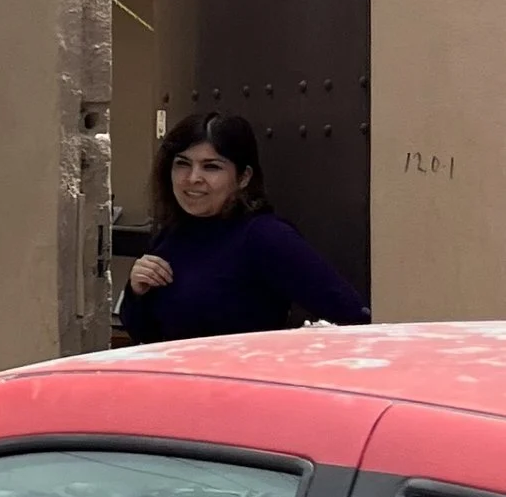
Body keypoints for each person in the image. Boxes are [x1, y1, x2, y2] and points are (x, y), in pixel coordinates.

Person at [116, 111, 368, 344]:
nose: (193, 178)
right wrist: (137, 290)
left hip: (240, 386)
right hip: (178, 385)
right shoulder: (172, 234)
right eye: (182, 164)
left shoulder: (265, 236)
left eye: (211, 166)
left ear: (243, 177)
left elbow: (353, 316)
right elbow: (145, 335)